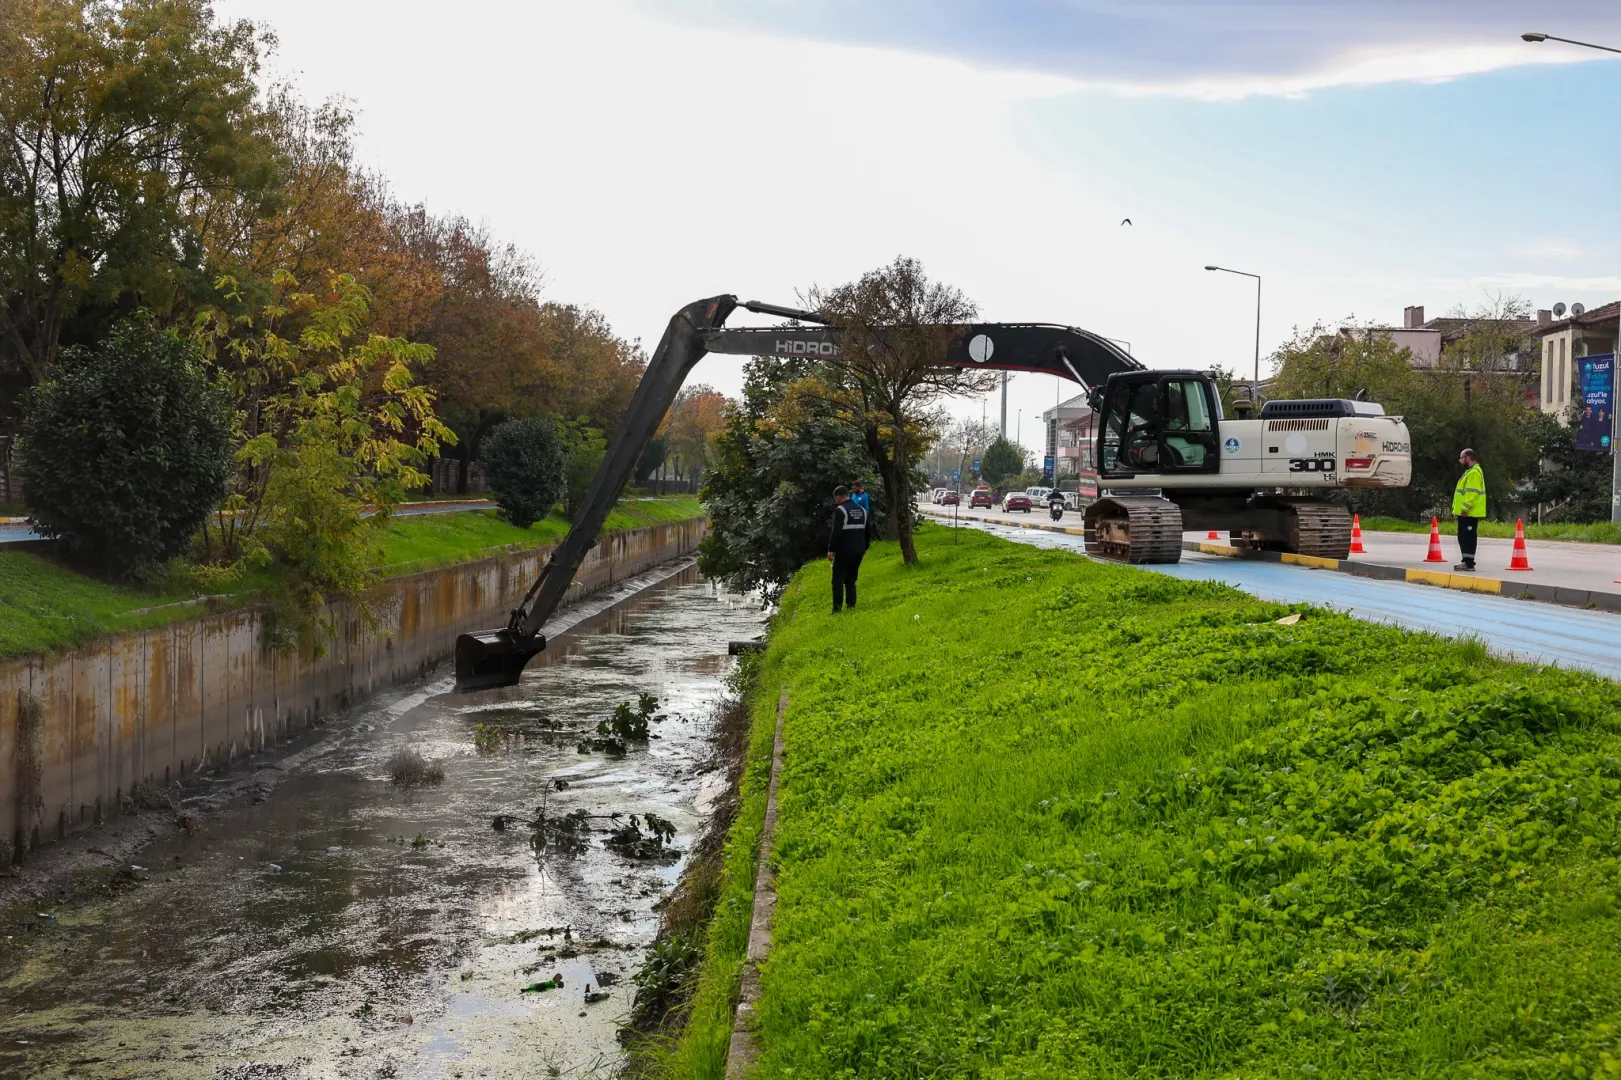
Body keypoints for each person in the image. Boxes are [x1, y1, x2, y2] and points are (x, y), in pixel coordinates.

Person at [827, 485, 869, 613]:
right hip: (859, 550)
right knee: (851, 579)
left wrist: (831, 550)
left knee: (837, 580)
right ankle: (851, 606)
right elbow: (868, 532)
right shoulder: (862, 510)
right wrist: (864, 547)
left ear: (838, 497)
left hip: (844, 551)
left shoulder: (840, 511)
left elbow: (836, 533)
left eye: (836, 499)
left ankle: (837, 609)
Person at [1452, 447, 1486, 571]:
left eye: (1461, 458)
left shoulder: (1474, 473)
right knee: (1463, 537)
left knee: (1467, 538)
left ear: (1468, 458)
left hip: (1469, 513)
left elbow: (1472, 493)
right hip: (1467, 513)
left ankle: (1469, 563)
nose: (1460, 460)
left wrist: (1465, 508)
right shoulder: (1471, 472)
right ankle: (1466, 562)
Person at [849, 479, 873, 543]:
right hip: (853, 517)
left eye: (855, 488)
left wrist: (865, 518)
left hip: (861, 517)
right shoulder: (853, 495)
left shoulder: (865, 495)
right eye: (853, 488)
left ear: (859, 487)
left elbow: (867, 508)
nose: (853, 490)